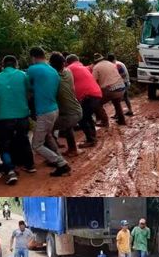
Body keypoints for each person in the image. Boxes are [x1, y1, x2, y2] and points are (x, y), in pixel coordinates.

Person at [26, 46, 71, 177]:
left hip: (44, 111)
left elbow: (27, 88)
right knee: (47, 135)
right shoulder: (53, 71)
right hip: (54, 109)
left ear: (33, 57)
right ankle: (58, 160)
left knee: (36, 145)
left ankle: (62, 163)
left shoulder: (33, 69)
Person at [0, 55, 32, 184]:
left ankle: (10, 170)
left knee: (4, 144)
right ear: (16, 64)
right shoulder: (23, 75)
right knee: (24, 139)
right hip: (22, 114)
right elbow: (30, 91)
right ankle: (30, 165)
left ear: (3, 65)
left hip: (4, 117)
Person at [49, 52, 83, 157]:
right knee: (67, 126)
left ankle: (54, 157)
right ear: (64, 63)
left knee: (45, 129)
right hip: (77, 110)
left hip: (69, 115)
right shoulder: (68, 71)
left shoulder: (52, 76)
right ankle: (73, 149)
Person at [65, 54, 102, 147]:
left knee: (82, 118)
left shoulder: (69, 69)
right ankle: (92, 137)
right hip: (97, 94)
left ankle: (91, 140)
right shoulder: (83, 67)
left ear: (67, 62)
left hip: (88, 96)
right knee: (87, 116)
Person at [91, 53, 126, 126]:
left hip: (111, 89)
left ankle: (105, 121)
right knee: (117, 102)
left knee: (97, 104)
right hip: (122, 87)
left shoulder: (96, 67)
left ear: (95, 61)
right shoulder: (111, 64)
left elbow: (93, 81)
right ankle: (122, 120)